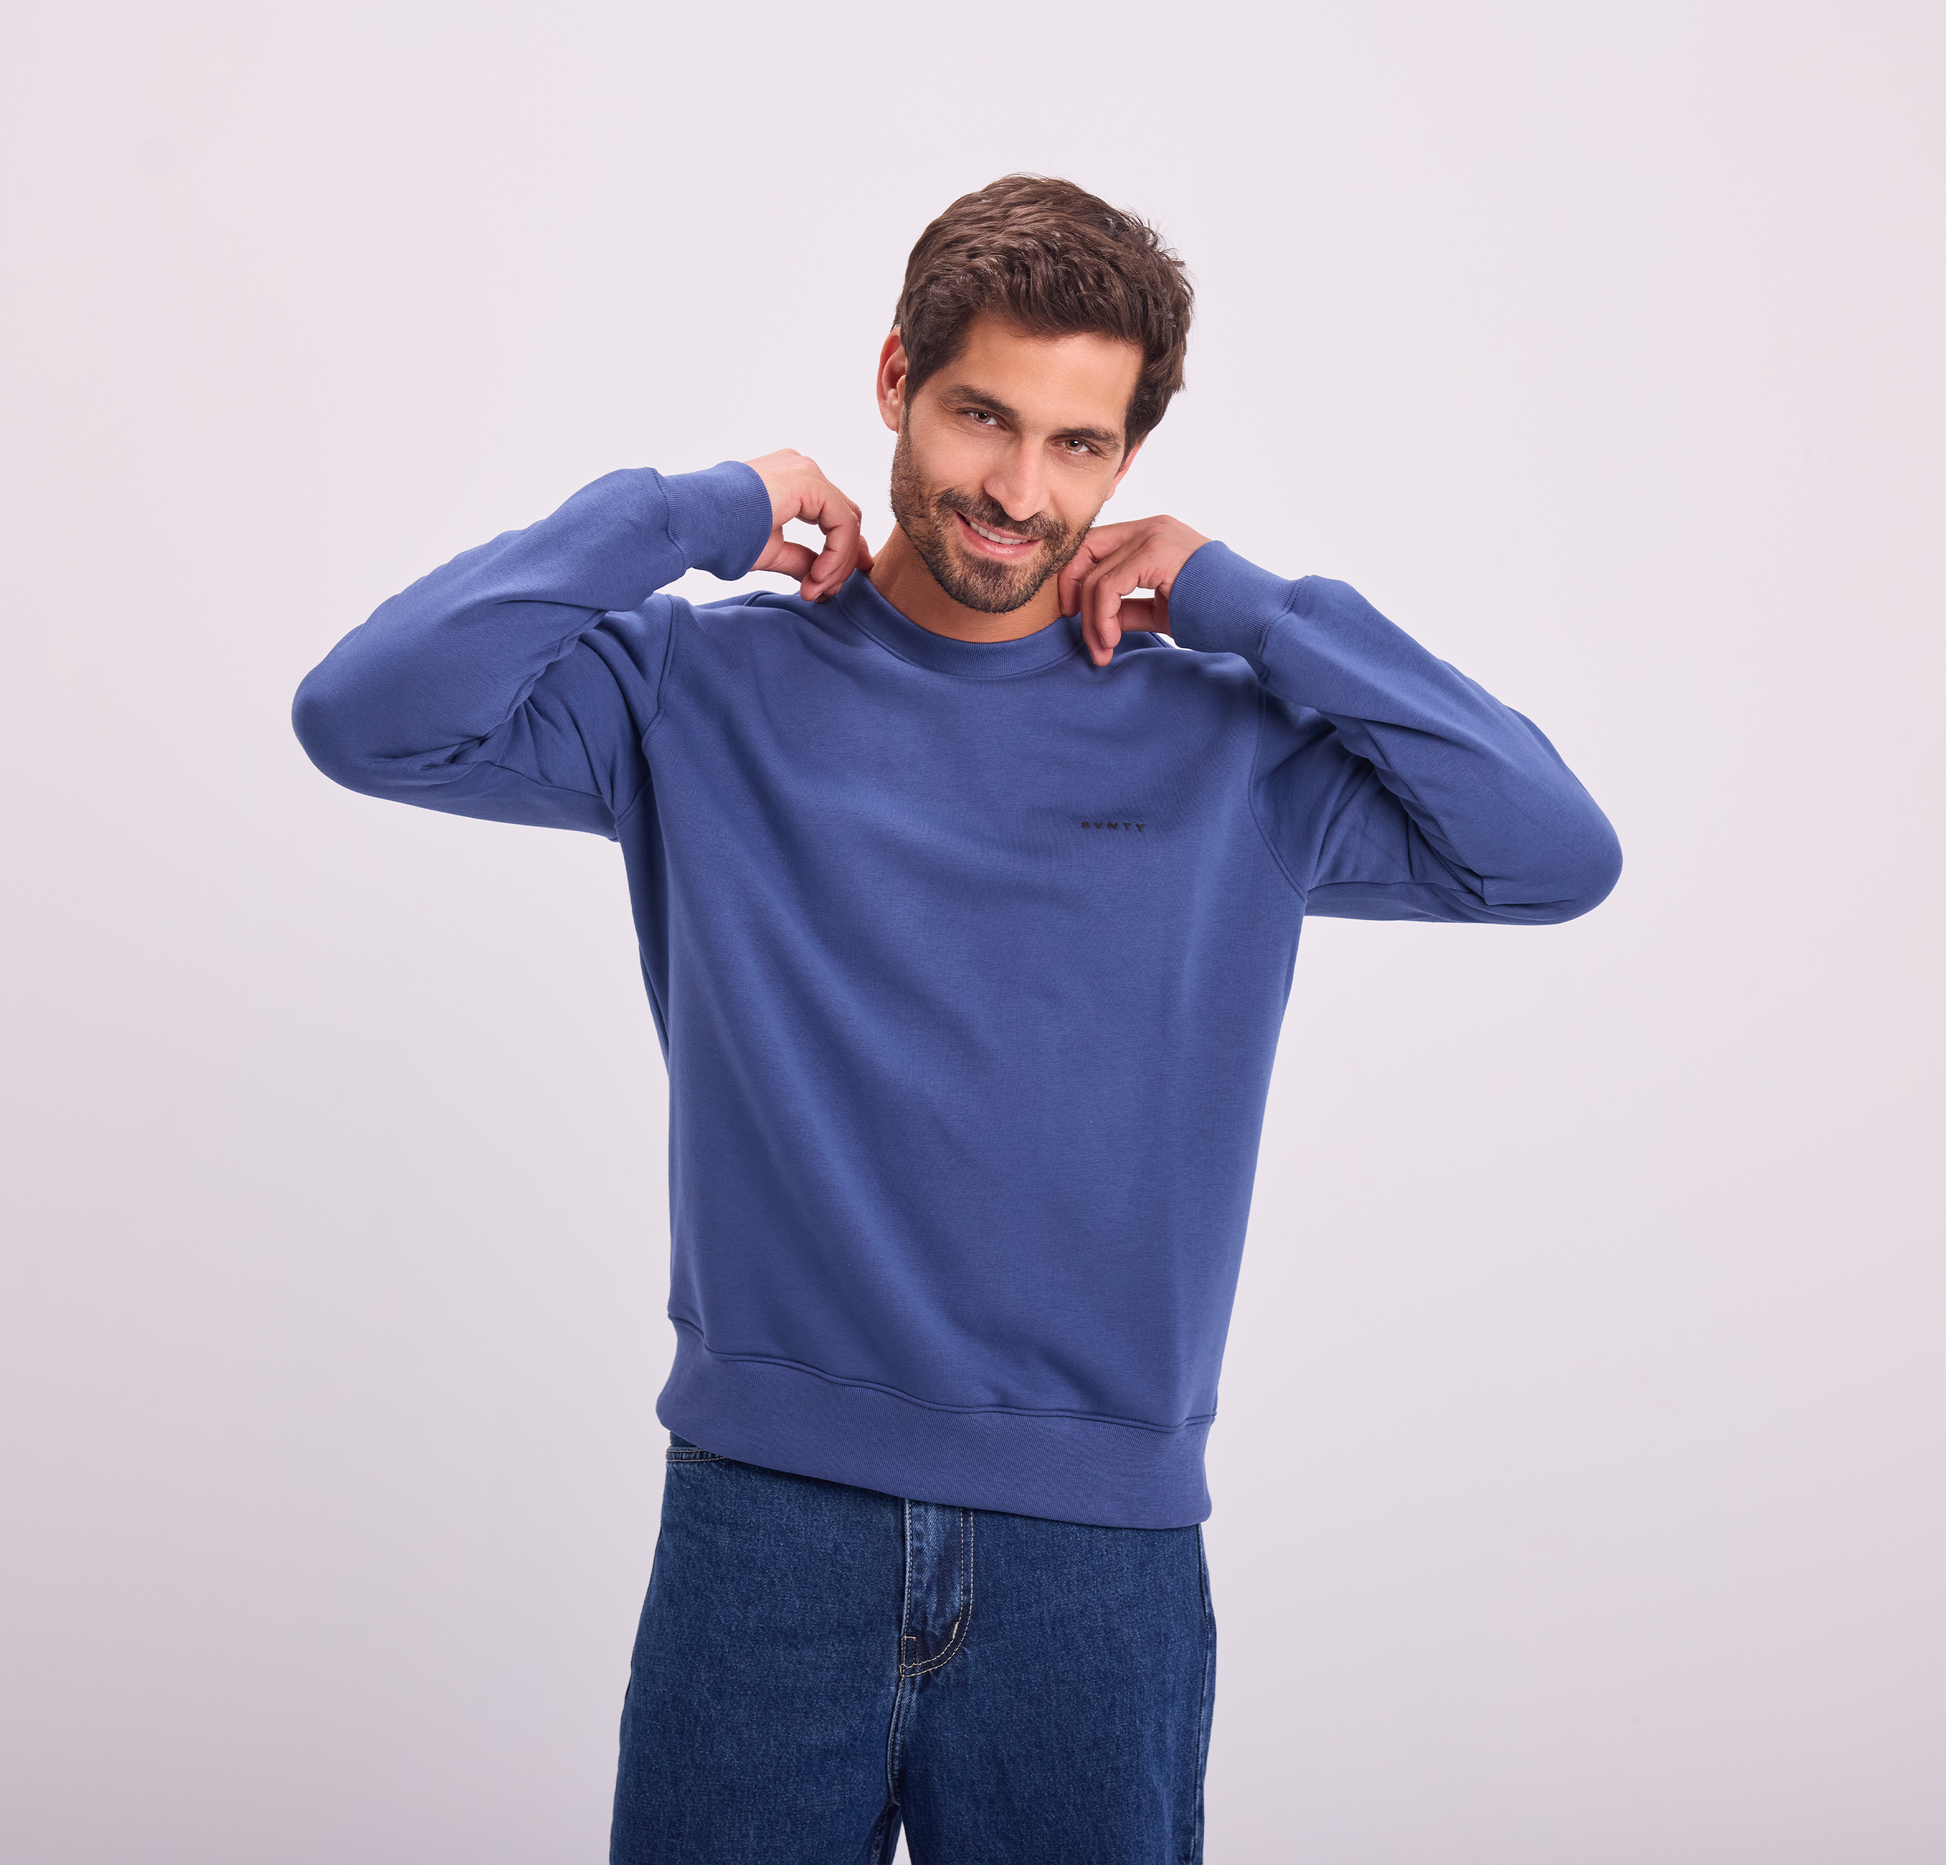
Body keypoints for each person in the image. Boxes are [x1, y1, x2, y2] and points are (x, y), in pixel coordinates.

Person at [293, 174, 1621, 1864]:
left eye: (1078, 444)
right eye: (983, 415)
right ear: (895, 380)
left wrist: (1250, 603)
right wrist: (689, 509)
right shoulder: (698, 689)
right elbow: (363, 713)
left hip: (1095, 1559)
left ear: (1126, 461)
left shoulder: (1231, 741)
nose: (1016, 489)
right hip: (763, 1521)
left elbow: (1551, 851)